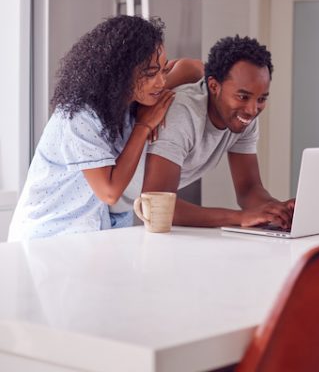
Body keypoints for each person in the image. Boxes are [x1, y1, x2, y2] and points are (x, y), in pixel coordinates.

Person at [8, 15, 203, 241]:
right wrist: (144, 126)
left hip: (95, 237)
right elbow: (109, 192)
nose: (160, 82)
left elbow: (193, 67)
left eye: (163, 70)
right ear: (118, 73)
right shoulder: (79, 115)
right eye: (150, 73)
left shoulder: (135, 98)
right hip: (49, 239)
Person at [142, 35, 294, 229]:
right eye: (243, 96)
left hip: (130, 205)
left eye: (261, 99)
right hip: (104, 200)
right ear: (214, 86)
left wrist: (276, 209)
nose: (252, 109)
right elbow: (158, 205)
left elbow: (249, 189)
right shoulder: (183, 113)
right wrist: (240, 217)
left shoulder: (244, 118)